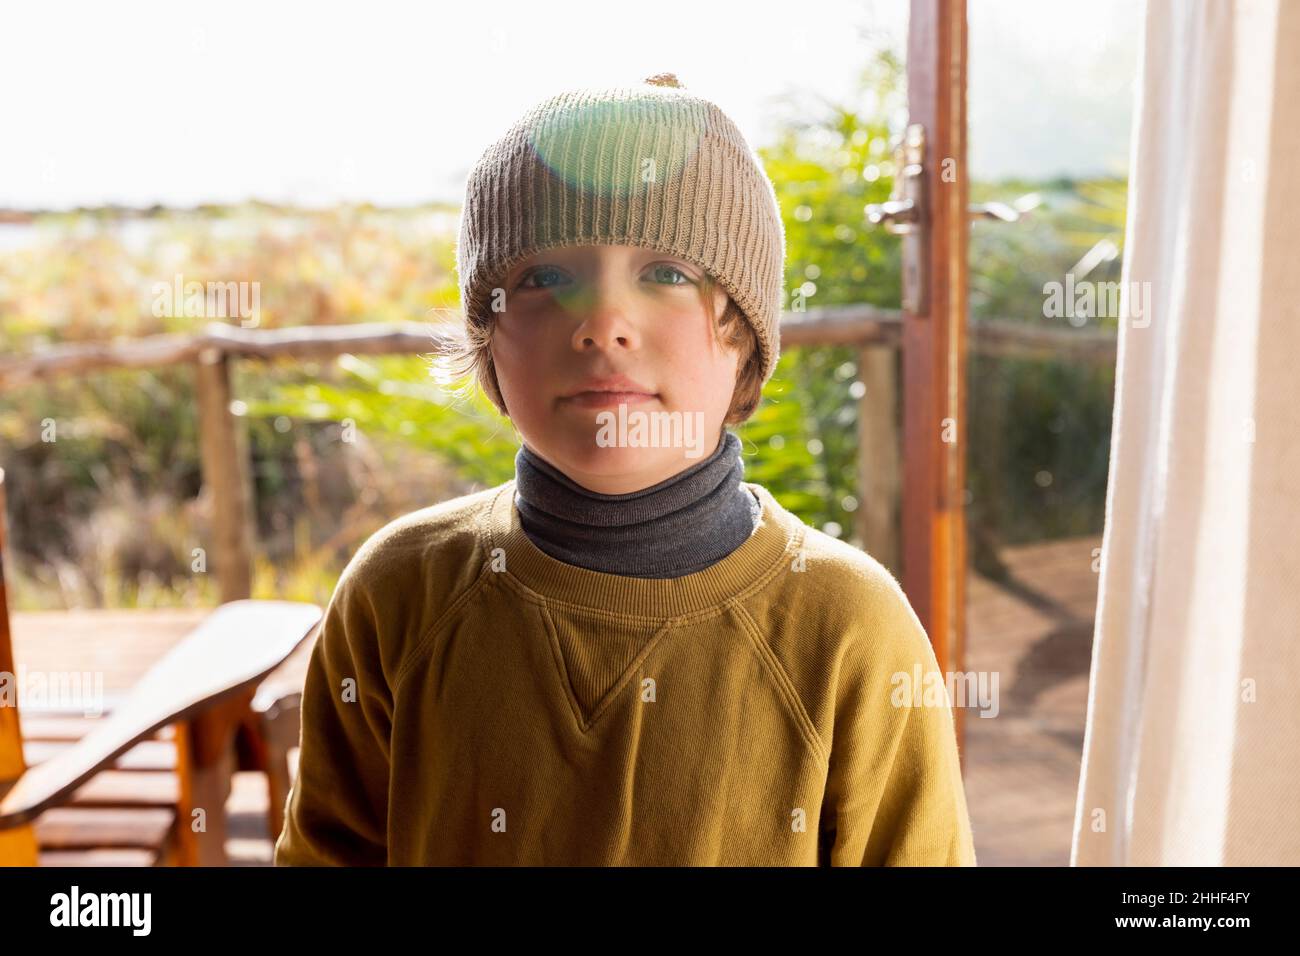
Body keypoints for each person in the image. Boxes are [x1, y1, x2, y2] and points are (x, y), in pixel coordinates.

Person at [274, 72, 976, 866]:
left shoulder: (850, 629)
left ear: (743, 335)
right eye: (544, 278)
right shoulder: (397, 593)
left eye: (668, 273)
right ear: (490, 341)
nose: (603, 323)